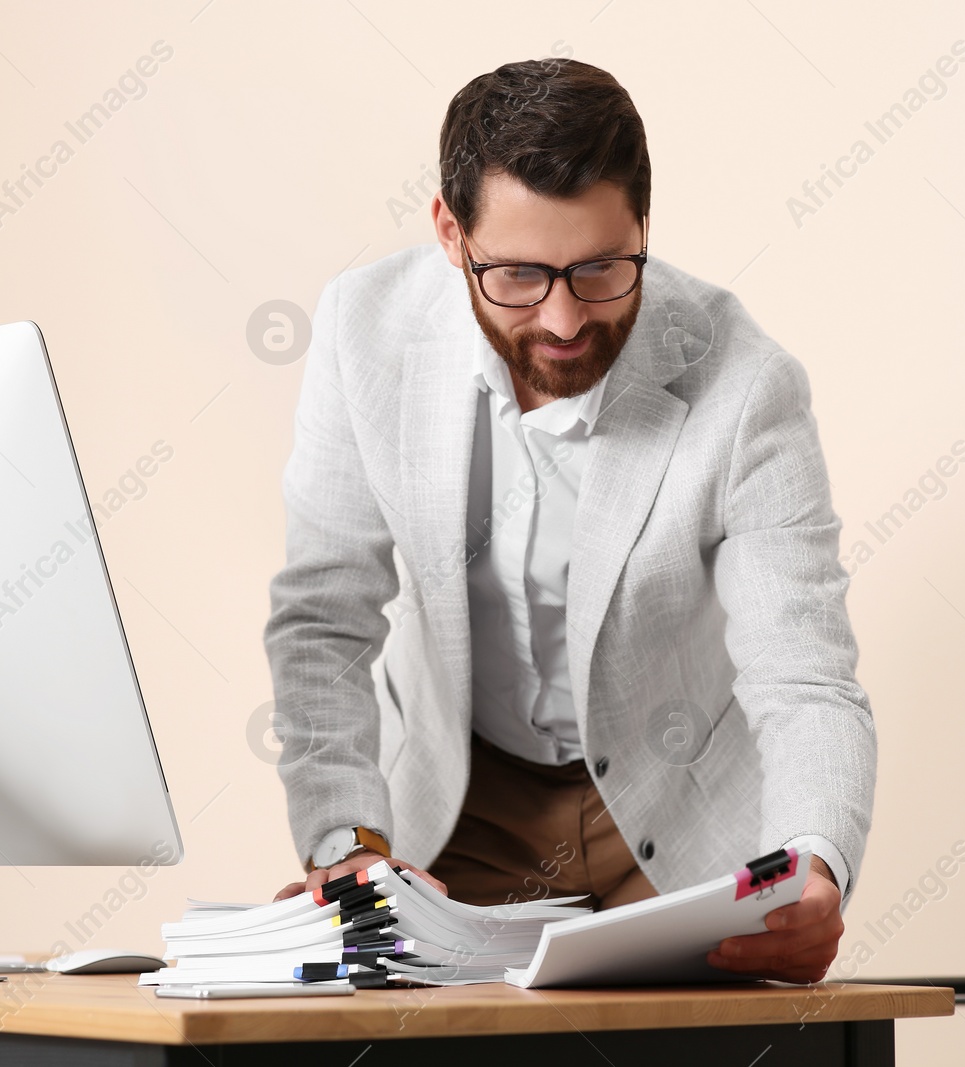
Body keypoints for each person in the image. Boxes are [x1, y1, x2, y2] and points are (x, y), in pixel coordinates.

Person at [265, 58, 875, 983]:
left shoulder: (748, 383)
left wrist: (815, 860)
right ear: (448, 230)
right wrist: (345, 840)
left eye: (599, 268)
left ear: (641, 228)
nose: (561, 319)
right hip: (459, 810)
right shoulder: (364, 333)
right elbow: (324, 618)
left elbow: (805, 674)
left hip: (677, 812)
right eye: (516, 273)